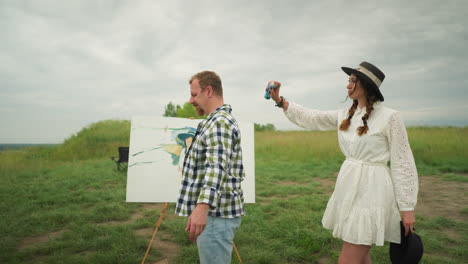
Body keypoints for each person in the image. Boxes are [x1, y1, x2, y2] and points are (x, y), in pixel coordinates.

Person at [267, 62, 418, 263]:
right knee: (361, 255)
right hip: (349, 187)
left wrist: (407, 207)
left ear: (367, 85)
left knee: (348, 257)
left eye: (353, 81)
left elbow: (403, 161)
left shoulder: (390, 117)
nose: (348, 85)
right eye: (348, 80)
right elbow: (313, 118)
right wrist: (280, 101)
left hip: (372, 191)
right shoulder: (347, 114)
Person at [175, 70, 245, 264]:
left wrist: (202, 207)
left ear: (208, 91)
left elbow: (216, 167)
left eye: (194, 94)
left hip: (216, 216)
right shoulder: (213, 122)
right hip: (215, 216)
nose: (190, 100)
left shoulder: (220, 123)